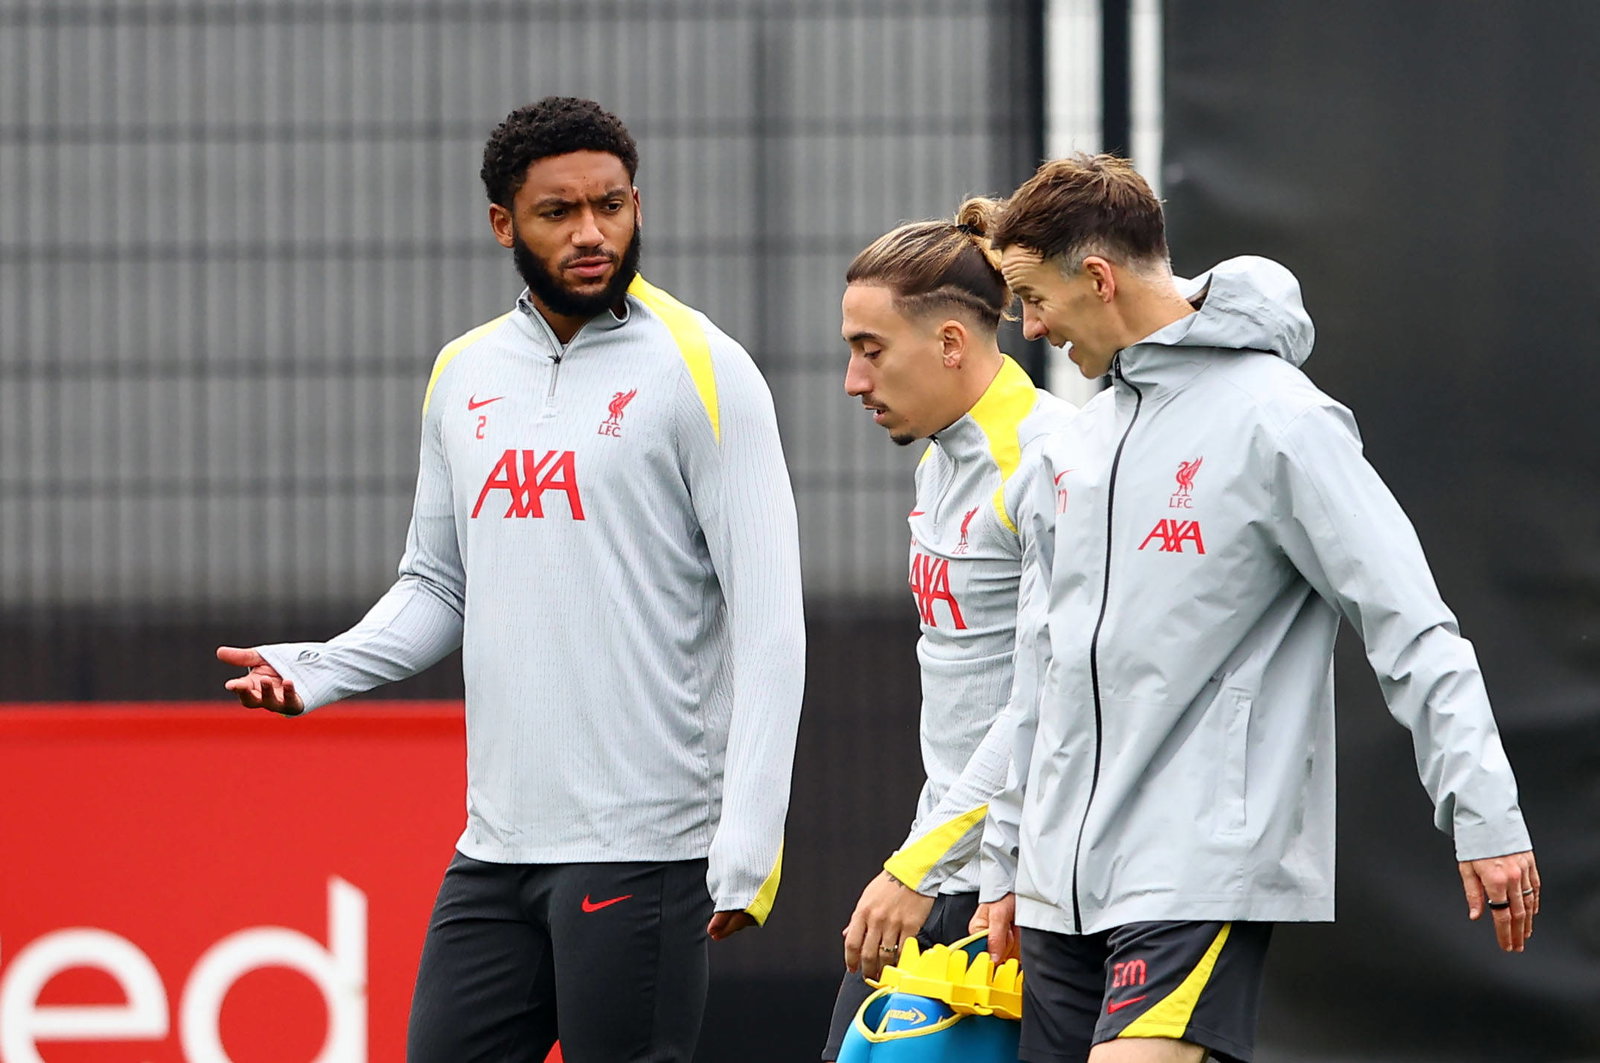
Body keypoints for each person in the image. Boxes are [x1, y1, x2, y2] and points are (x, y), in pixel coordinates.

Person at [215, 97, 805, 1063]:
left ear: (637, 203)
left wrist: (747, 843)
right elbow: (438, 586)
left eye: (610, 205)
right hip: (495, 849)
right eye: (558, 212)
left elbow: (772, 625)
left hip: (643, 846)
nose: (590, 233)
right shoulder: (464, 373)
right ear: (503, 225)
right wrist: (316, 669)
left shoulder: (708, 370)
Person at [947, 154, 1536, 1063]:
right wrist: (1004, 870)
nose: (1029, 327)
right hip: (1052, 895)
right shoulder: (1074, 451)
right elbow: (1040, 679)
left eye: (1033, 297)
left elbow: (1410, 622)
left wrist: (1486, 812)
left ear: (1097, 279)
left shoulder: (1281, 422)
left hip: (1193, 872)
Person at [823, 200, 1075, 1060]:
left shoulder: (1048, 460)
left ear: (951, 345)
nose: (855, 382)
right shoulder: (941, 457)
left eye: (870, 350)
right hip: (946, 867)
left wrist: (913, 869)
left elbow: (1039, 700)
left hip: (1028, 891)